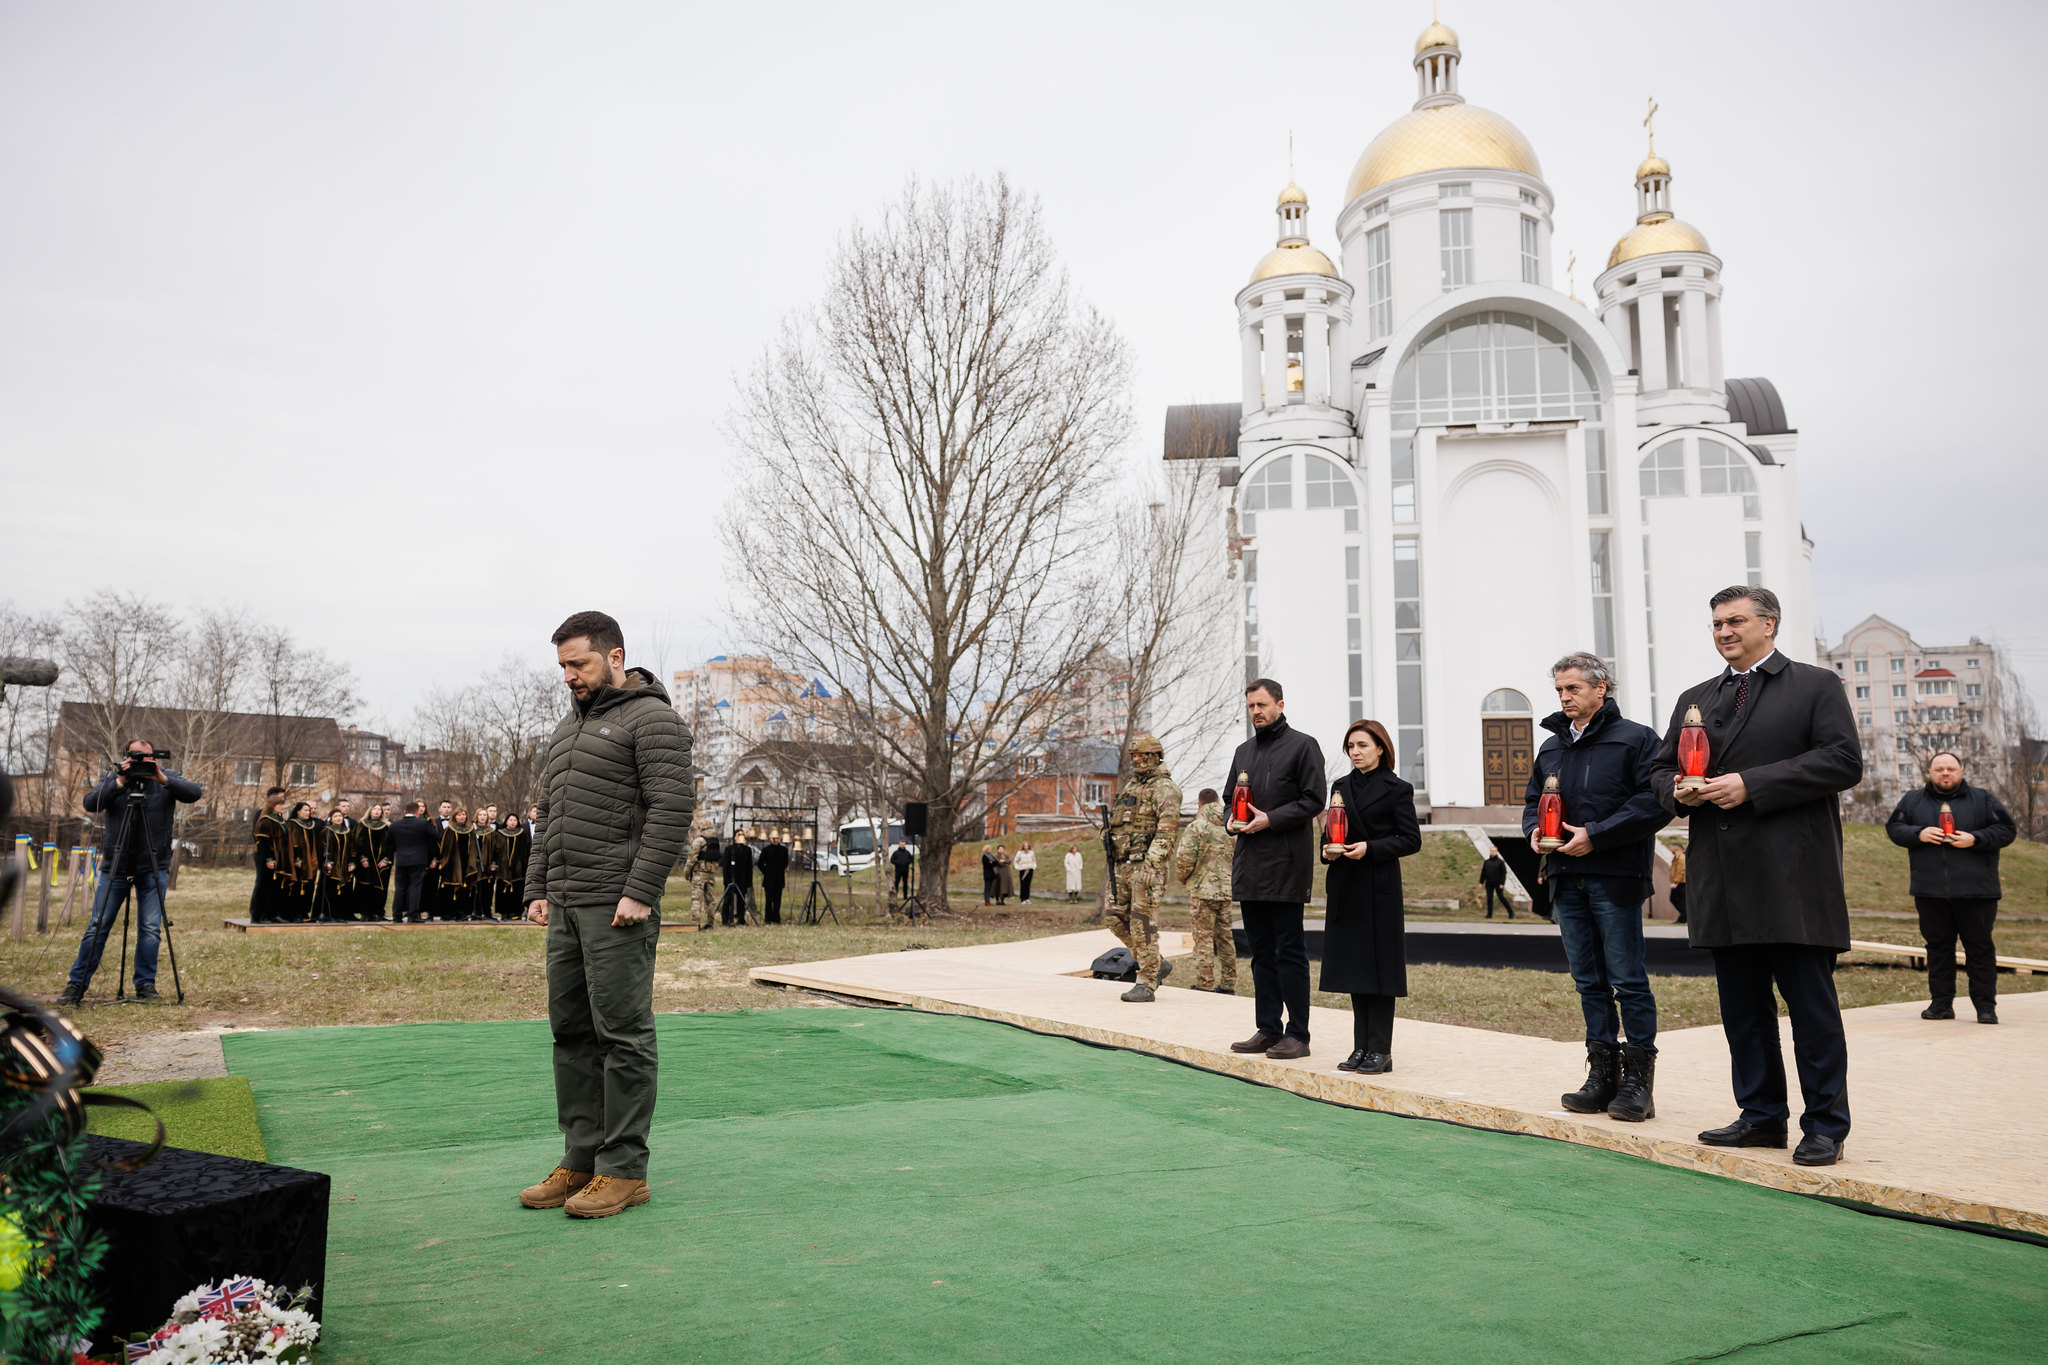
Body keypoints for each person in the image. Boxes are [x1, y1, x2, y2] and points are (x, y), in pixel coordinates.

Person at [1652, 585, 1862, 1168]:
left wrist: (1751, 784)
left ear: (1769, 624)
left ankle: (1824, 1124)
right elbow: (1660, 767)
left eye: (1735, 621)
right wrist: (1675, 788)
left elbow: (1843, 761)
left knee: (1811, 1013)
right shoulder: (1698, 697)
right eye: (1717, 623)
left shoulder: (1815, 686)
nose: (1723, 632)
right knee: (1743, 1012)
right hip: (1723, 878)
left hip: (1793, 877)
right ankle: (1762, 1116)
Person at [521, 609, 693, 1220]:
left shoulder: (654, 720)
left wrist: (641, 890)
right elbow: (551, 813)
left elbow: (672, 811)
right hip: (566, 904)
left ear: (614, 657)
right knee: (571, 1034)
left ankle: (623, 1170)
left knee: (621, 1035)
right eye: (563, 665)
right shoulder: (569, 731)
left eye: (579, 663)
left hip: (617, 906)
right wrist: (537, 885)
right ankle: (580, 1159)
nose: (568, 675)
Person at [1524, 651, 1672, 1123]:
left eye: (1573, 689)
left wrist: (1598, 835)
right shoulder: (1551, 747)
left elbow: (1656, 801)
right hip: (1565, 876)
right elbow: (1533, 801)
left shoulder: (1637, 740)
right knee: (1588, 981)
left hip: (1616, 875)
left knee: (1627, 980)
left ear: (1600, 688)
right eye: (1560, 691)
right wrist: (1533, 829)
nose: (1565, 698)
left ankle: (1638, 1083)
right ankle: (1601, 1073)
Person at [1223, 679, 1325, 1059]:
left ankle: (1298, 1034)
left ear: (1280, 704)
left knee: (1289, 952)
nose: (1256, 712)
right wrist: (1229, 821)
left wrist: (1271, 820)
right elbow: (1227, 800)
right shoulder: (1242, 751)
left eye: (1262, 705)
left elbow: (1314, 799)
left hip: (1286, 865)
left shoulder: (1303, 746)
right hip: (1250, 867)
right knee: (1260, 953)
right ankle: (1268, 1028)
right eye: (1250, 706)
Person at [59, 739, 202, 1005]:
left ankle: (145, 985)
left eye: (147, 756)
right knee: (97, 926)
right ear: (126, 756)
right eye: (136, 756)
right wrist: (119, 781)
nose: (142, 761)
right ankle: (76, 985)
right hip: (116, 865)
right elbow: (91, 803)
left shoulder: (167, 778)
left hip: (153, 864)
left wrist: (162, 779)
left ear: (155, 757)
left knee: (150, 928)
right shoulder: (114, 778)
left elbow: (195, 793)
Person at [1886, 751, 2015, 1024]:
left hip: (1977, 892)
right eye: (1939, 769)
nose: (1945, 773)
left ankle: (1985, 1008)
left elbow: (2006, 830)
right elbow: (1894, 828)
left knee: (1979, 949)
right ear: (1929, 773)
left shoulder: (1983, 799)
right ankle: (1941, 1004)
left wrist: (1976, 838)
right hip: (1930, 891)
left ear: (1961, 771)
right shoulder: (1912, 800)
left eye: (1951, 769)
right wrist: (1917, 834)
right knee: (1938, 949)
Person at [1321, 719, 1421, 1073]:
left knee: (1379, 971)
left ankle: (1381, 1049)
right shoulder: (1340, 786)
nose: (1355, 752)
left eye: (1362, 745)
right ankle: (1360, 1047)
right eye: (1351, 747)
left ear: (1380, 747)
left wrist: (1371, 848)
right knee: (1355, 970)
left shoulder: (1398, 788)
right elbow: (1328, 835)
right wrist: (1327, 852)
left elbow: (1411, 839)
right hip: (1346, 885)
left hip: (1378, 886)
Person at [1106, 735, 1182, 1002]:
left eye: (1142, 756)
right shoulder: (1130, 787)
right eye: (1134, 756)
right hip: (1122, 865)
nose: (1137, 760)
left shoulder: (1165, 788)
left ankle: (1147, 981)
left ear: (1155, 756)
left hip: (1147, 868)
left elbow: (1168, 830)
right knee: (1113, 917)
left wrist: (1153, 863)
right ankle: (1156, 962)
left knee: (1142, 924)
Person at [1172, 787, 1237, 994]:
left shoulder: (1197, 827)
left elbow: (1184, 858)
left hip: (1202, 891)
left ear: (1199, 804)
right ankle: (1228, 983)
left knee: (1203, 938)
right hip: (1226, 890)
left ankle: (1205, 982)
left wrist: (1183, 878)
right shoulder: (1231, 826)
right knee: (1225, 937)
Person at [389, 800, 440, 923]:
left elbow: (388, 843)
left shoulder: (395, 825)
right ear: (417, 812)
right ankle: (413, 915)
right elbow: (437, 837)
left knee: (400, 888)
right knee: (415, 888)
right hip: (418, 860)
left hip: (401, 860)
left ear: (404, 811)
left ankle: (397, 915)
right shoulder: (423, 824)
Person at [250, 787, 288, 923]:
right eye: (280, 805)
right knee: (263, 886)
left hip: (280, 859)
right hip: (267, 859)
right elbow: (263, 843)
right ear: (273, 806)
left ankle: (272, 914)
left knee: (275, 887)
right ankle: (258, 915)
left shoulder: (279, 820)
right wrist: (269, 859)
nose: (282, 807)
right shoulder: (265, 821)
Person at [280, 801, 323, 921]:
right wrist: (296, 859)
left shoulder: (311, 825)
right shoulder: (292, 824)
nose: (308, 813)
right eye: (305, 810)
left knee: (309, 887)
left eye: (309, 811)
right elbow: (291, 843)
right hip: (297, 862)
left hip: (310, 861)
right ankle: (293, 913)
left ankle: (304, 913)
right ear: (298, 811)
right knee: (296, 887)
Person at [438, 806, 478, 920]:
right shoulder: (449, 829)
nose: (461, 817)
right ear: (455, 816)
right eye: (459, 814)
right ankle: (448, 912)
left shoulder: (470, 830)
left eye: (463, 814)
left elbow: (474, 848)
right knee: (450, 889)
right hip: (452, 864)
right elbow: (444, 847)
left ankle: (461, 912)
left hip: (466, 863)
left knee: (465, 890)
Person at [358, 802, 394, 920]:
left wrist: (386, 859)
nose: (377, 811)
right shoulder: (362, 825)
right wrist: (362, 858)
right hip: (366, 862)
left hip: (382, 862)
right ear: (370, 811)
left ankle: (378, 912)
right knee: (366, 887)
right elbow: (358, 842)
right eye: (375, 809)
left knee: (380, 888)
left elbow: (391, 845)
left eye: (379, 809)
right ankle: (365, 913)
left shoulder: (387, 826)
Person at [318, 809, 356, 921]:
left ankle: (343, 914)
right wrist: (327, 862)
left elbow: (352, 849)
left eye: (340, 816)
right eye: (335, 816)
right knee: (331, 891)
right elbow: (323, 848)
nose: (338, 818)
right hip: (332, 867)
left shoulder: (347, 831)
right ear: (331, 819)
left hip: (345, 867)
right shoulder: (327, 831)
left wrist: (352, 862)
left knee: (344, 892)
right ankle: (330, 914)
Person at [685, 825, 721, 931]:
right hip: (711, 873)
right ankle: (710, 923)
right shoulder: (715, 841)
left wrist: (687, 872)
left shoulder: (699, 841)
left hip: (699, 874)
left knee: (696, 899)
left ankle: (695, 924)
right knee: (710, 900)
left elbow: (692, 858)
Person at [499, 811, 532, 920]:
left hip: (519, 868)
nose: (512, 822)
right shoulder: (500, 833)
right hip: (503, 868)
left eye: (514, 820)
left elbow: (528, 849)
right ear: (506, 822)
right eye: (510, 820)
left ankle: (517, 913)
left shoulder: (522, 834)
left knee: (518, 891)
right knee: (503, 891)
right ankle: (504, 913)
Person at [720, 837, 755, 925]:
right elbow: (726, 866)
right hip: (731, 878)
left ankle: (741, 919)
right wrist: (726, 880)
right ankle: (726, 919)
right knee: (727, 899)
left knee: (741, 900)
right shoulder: (729, 849)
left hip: (742, 878)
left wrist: (748, 881)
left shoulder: (747, 850)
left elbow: (749, 867)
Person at [758, 835, 790, 925]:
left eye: (777, 838)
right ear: (770, 839)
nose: (775, 840)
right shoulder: (766, 850)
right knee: (768, 900)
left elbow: (785, 863)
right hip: (768, 879)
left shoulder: (783, 850)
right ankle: (768, 918)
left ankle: (776, 918)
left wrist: (779, 871)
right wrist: (767, 872)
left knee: (777, 900)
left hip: (779, 879)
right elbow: (760, 864)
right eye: (774, 838)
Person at [1478, 849, 1512, 919]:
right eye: (1491, 851)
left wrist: (1502, 883)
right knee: (1489, 899)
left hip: (1498, 883)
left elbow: (1503, 873)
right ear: (1490, 851)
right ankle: (1489, 915)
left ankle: (1511, 912)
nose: (1492, 852)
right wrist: (1481, 882)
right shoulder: (1486, 862)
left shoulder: (1500, 862)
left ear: (1496, 852)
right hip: (1489, 883)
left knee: (1501, 897)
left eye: (1494, 851)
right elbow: (1483, 873)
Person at [1667, 841, 1688, 925]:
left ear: (1675, 848)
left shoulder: (1681, 857)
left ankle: (1684, 916)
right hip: (1679, 882)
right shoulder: (1676, 857)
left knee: (1676, 899)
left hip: (1681, 883)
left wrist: (1676, 882)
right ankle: (1684, 916)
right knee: (1678, 900)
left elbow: (1681, 871)